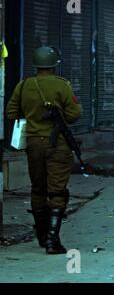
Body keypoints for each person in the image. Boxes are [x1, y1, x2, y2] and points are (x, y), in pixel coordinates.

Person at [6, 46, 82, 255]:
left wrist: (32, 116)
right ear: (55, 65)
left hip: (33, 144)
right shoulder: (62, 85)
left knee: (38, 189)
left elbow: (11, 111)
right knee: (57, 190)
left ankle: (41, 236)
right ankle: (52, 240)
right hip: (57, 144)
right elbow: (74, 115)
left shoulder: (23, 86)